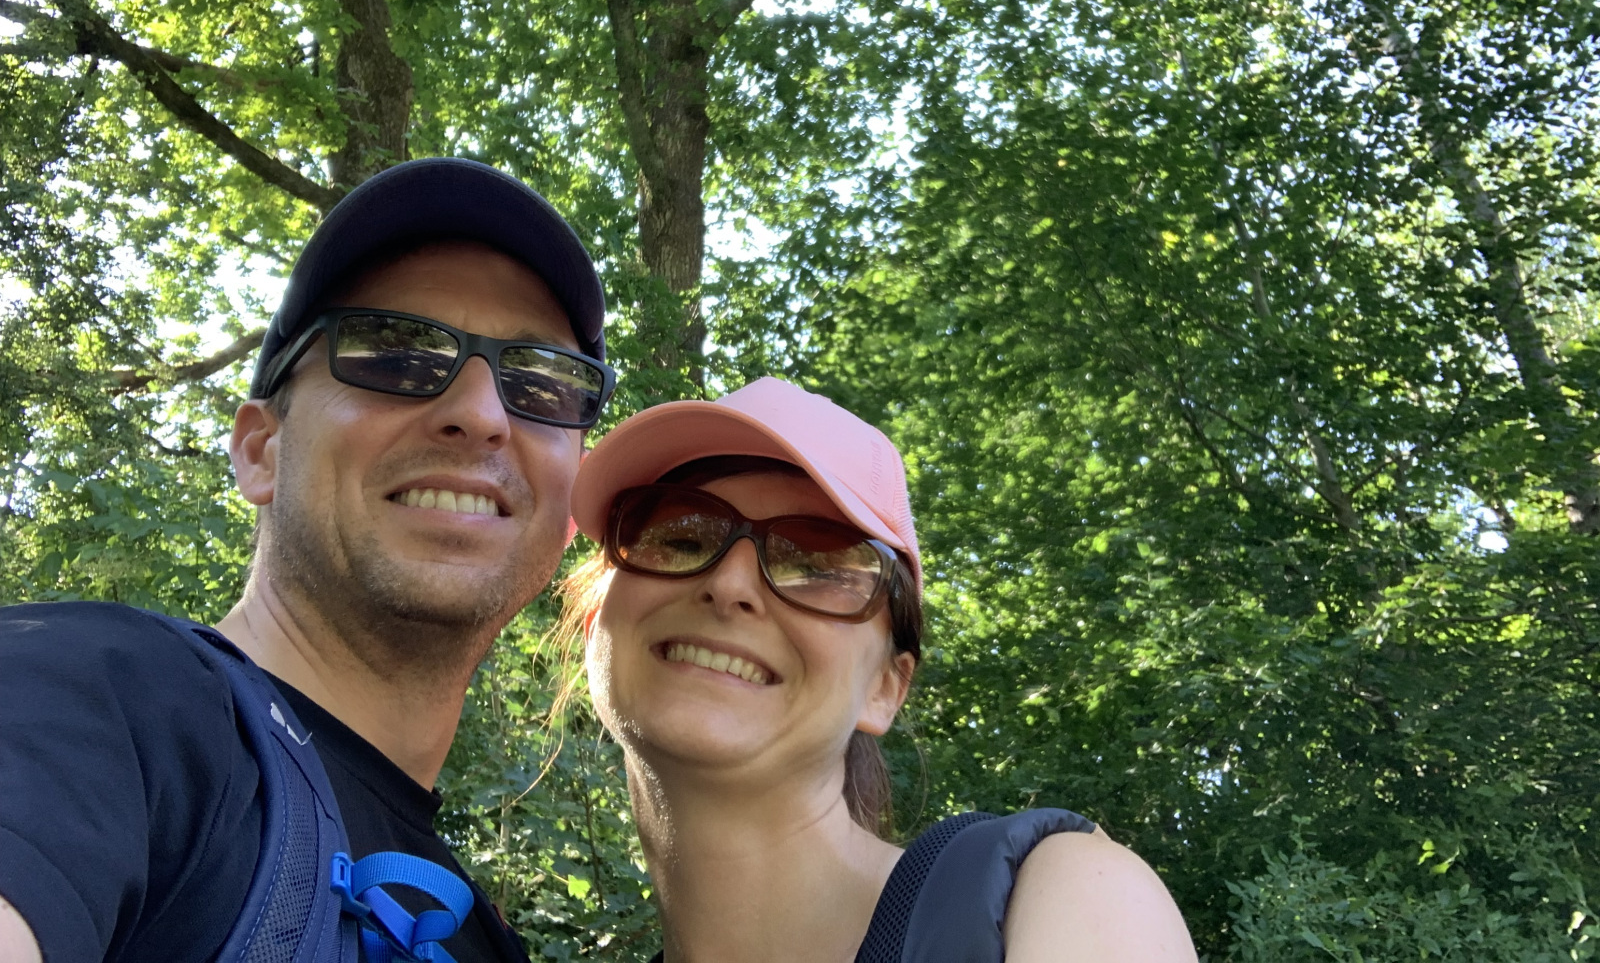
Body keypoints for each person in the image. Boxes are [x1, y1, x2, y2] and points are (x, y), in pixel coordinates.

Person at [0, 157, 615, 963]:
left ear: (570, 507)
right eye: (394, 353)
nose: (479, 413)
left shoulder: (477, 933)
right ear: (261, 450)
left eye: (540, 381)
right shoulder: (99, 701)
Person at [561, 377, 1197, 962]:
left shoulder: (1057, 900)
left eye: (816, 568)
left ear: (885, 689)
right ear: (596, 621)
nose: (728, 584)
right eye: (679, 539)